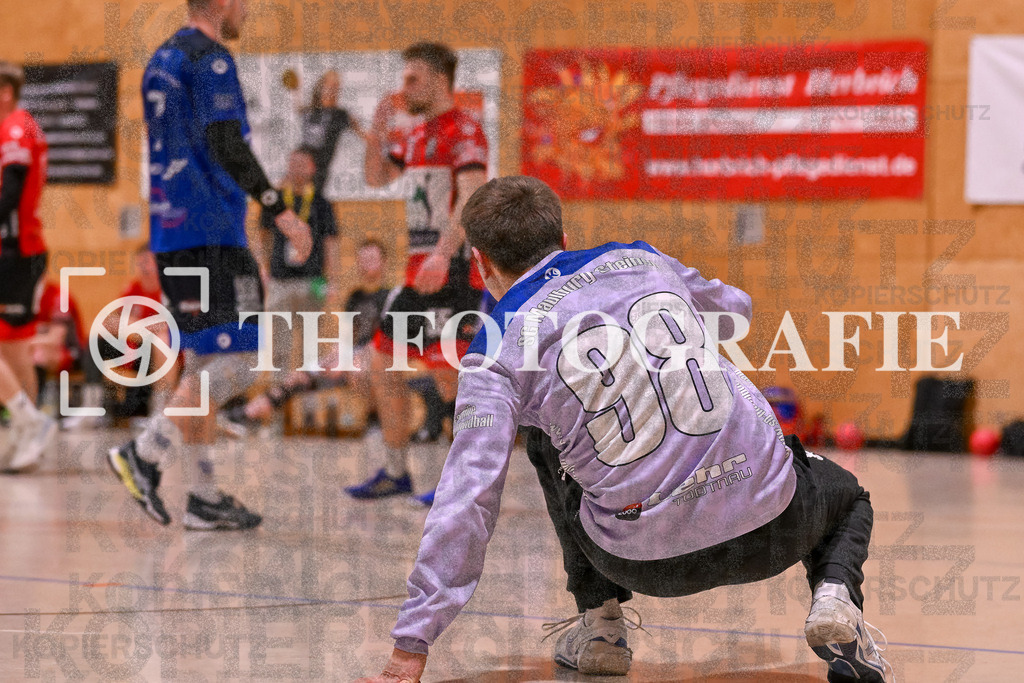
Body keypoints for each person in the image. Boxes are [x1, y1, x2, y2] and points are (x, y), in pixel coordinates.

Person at [355, 176, 892, 683]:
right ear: (563, 238)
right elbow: (737, 312)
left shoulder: (493, 349)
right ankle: (834, 596)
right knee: (848, 498)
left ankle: (602, 626)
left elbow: (467, 497)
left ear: (481, 264)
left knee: (543, 434)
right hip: (775, 528)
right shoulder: (641, 259)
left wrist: (412, 643)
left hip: (643, 561)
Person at [107, 0, 312, 531]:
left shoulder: (161, 60)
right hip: (213, 234)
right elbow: (226, 143)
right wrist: (282, 212)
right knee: (241, 362)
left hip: (171, 235)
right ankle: (146, 452)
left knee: (201, 366)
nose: (247, 10)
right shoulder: (211, 57)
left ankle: (202, 496)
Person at [346, 42, 488, 503]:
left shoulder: (464, 129)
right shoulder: (414, 133)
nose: (404, 87)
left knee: (450, 378)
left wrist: (443, 253)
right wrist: (377, 131)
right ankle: (395, 472)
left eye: (412, 78)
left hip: (453, 268)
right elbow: (376, 178)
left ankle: (468, 481)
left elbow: (473, 197)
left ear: (439, 80)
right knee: (381, 364)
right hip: (416, 272)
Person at [0, 60, 56, 473]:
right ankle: (29, 435)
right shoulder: (21, 126)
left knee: (14, 347)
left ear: (6, 92)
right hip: (23, 250)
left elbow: (11, 191)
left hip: (12, 251)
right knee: (15, 349)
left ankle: (27, 420)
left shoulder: (15, 127)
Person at [253, 146, 340, 375]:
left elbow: (331, 243)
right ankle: (279, 392)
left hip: (313, 281)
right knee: (280, 343)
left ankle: (308, 392)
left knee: (311, 344)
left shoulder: (321, 203)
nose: (295, 168)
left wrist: (332, 281)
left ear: (312, 168)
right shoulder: (276, 201)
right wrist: (263, 268)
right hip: (280, 281)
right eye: (292, 163)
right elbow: (263, 236)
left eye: (301, 163)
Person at [299, 70, 363, 193]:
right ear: (321, 87)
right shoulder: (311, 110)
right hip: (300, 166)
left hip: (319, 173)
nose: (333, 90)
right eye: (329, 86)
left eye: (336, 87)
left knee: (311, 198)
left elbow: (364, 135)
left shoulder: (341, 115)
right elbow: (299, 111)